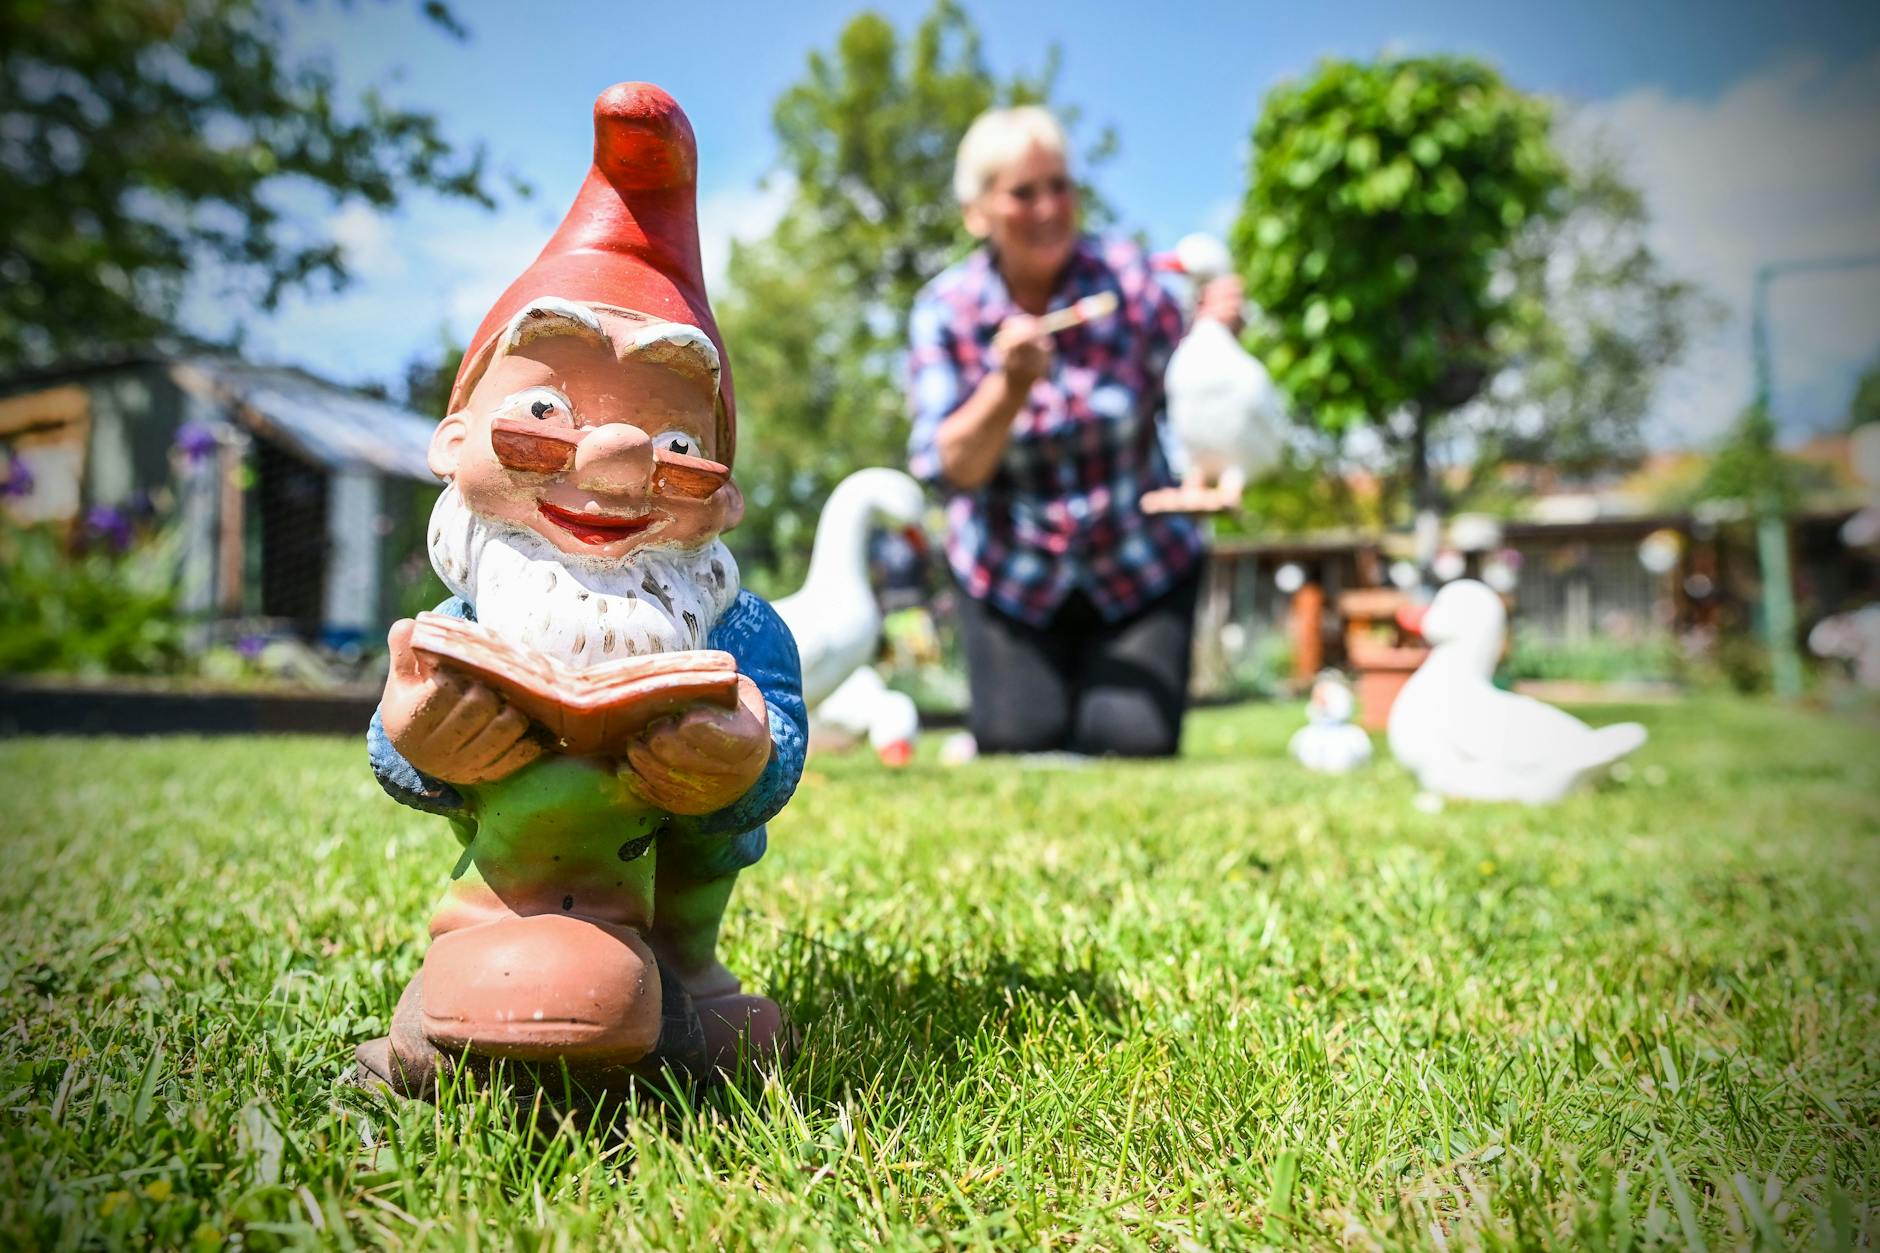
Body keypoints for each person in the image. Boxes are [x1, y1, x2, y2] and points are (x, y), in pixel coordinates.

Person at [358, 84, 806, 1094]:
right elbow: (395, 749)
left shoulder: (734, 624)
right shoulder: (469, 609)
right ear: (453, 442)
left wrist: (739, 760)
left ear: (722, 499)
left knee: (690, 957)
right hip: (509, 892)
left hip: (678, 886)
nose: (609, 465)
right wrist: (418, 736)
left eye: (676, 445)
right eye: (543, 417)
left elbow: (780, 730)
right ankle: (470, 979)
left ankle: (683, 977)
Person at [906, 105, 1243, 757]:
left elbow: (1194, 391)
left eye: (1059, 185)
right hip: (1012, 571)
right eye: (1023, 192)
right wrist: (1009, 388)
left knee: (1130, 740)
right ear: (978, 212)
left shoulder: (1129, 282)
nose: (1048, 207)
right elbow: (952, 467)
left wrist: (1216, 333)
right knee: (1018, 740)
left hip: (1138, 558)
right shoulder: (946, 311)